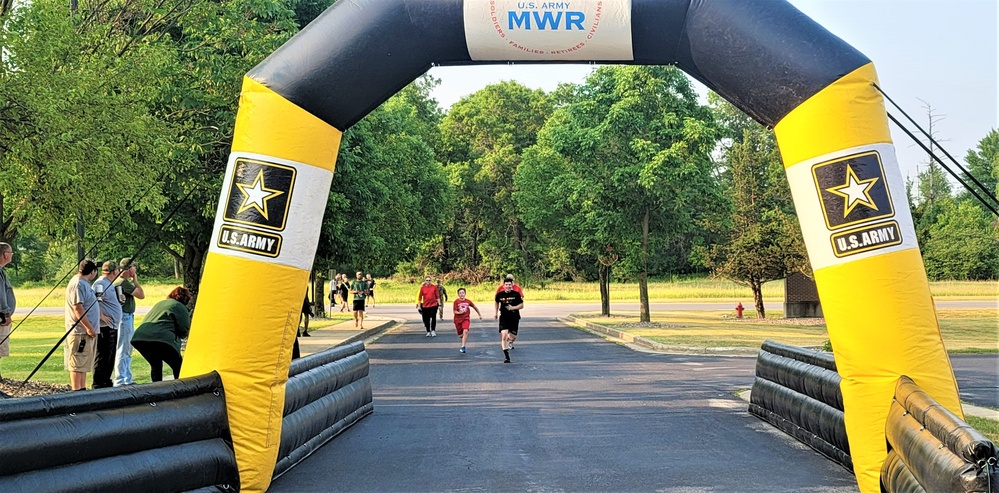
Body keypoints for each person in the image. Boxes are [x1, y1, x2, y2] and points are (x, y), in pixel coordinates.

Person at [132, 287, 192, 382]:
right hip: (161, 339)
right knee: (178, 365)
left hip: (140, 338)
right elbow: (184, 328)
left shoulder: (160, 303)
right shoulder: (180, 307)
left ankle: (156, 389)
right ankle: (181, 387)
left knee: (155, 364)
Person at [64, 259, 100, 390]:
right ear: (92, 272)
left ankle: (83, 389)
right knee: (77, 363)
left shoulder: (84, 283)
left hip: (85, 332)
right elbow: (78, 308)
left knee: (83, 363)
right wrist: (89, 328)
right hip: (79, 332)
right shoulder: (77, 284)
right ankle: (76, 391)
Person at [112, 257, 144, 386]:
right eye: (133, 268)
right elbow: (141, 295)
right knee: (124, 348)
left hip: (126, 316)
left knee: (127, 348)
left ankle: (127, 378)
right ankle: (121, 379)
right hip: (125, 317)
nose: (135, 270)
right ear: (129, 269)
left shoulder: (119, 281)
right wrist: (135, 281)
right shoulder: (123, 283)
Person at [91, 261, 123, 389]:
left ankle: (106, 380)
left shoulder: (109, 284)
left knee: (110, 356)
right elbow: (94, 302)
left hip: (113, 325)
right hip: (105, 326)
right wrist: (101, 316)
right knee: (103, 355)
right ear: (114, 271)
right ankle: (99, 383)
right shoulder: (100, 284)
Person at [494, 278, 524, 363]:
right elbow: (496, 302)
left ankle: (509, 340)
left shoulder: (516, 294)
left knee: (512, 337)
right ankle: (507, 357)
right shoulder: (499, 295)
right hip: (504, 317)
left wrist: (513, 308)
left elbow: (521, 305)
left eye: (509, 284)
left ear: (512, 285)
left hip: (514, 317)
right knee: (504, 335)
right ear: (503, 285)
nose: (508, 286)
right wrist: (495, 313)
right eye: (506, 285)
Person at [0, 243, 15, 377]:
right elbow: (1, 295)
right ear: (5, 255)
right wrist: (6, 313)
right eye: (11, 253)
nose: (12, 255)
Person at [452, 288, 481, 354]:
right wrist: (460, 312)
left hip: (466, 319)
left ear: (465, 293)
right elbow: (454, 311)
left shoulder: (468, 301)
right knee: (460, 335)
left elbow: (474, 307)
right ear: (458, 294)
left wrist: (479, 315)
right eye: (460, 293)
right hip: (458, 320)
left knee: (465, 330)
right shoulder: (456, 301)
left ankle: (463, 346)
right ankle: (463, 338)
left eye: (463, 293)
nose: (461, 294)